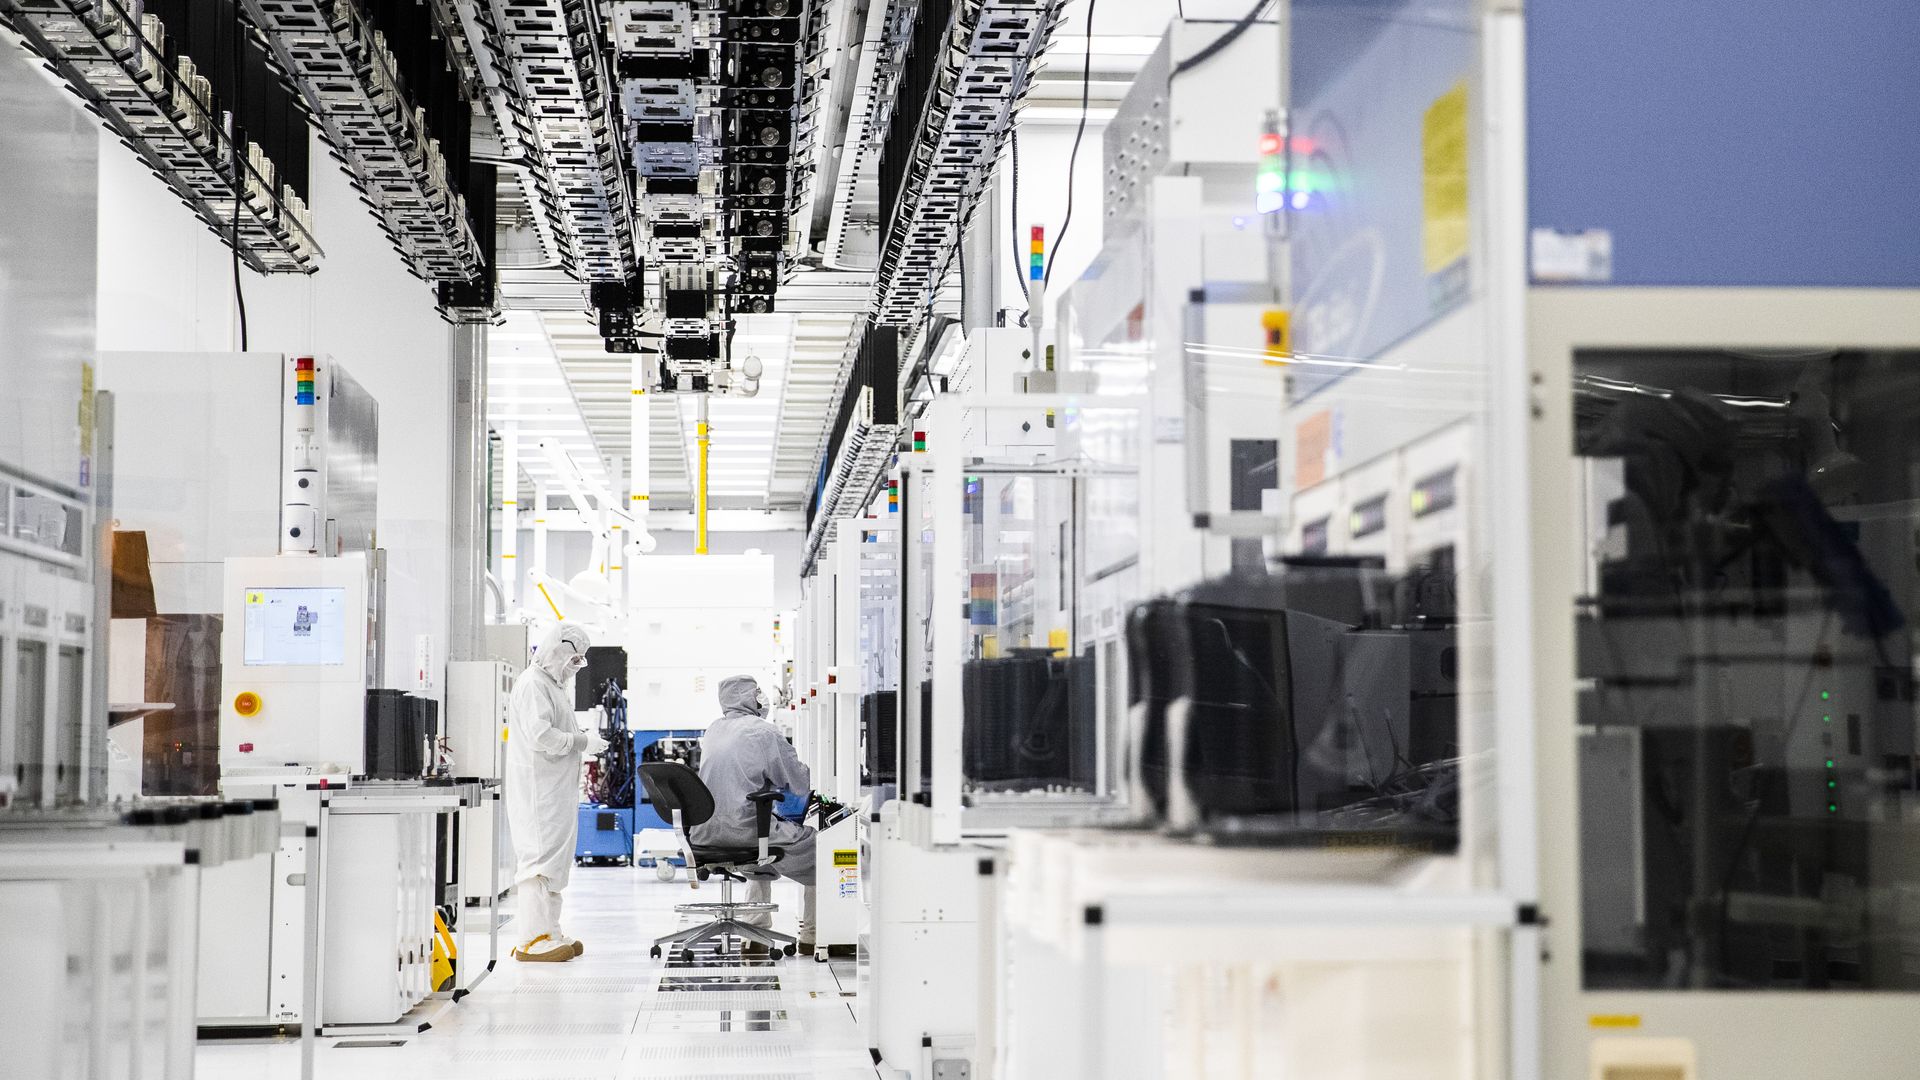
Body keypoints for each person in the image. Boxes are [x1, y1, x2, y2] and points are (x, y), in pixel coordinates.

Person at [504, 622, 606, 962]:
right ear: (557, 651)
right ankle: (531, 941)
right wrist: (581, 742)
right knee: (538, 860)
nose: (575, 666)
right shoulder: (534, 684)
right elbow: (540, 736)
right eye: (573, 659)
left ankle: (550, 931)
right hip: (538, 790)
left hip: (555, 789)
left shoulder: (552, 685)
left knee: (555, 862)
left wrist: (581, 739)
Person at [694, 675, 815, 954]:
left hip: (704, 832)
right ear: (749, 697)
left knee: (762, 844)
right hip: (743, 831)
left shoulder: (714, 729)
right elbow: (797, 782)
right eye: (758, 692)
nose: (762, 697)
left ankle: (755, 932)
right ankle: (813, 935)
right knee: (818, 848)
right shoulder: (764, 731)